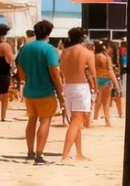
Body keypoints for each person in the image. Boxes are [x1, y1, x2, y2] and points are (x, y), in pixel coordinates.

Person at [15, 20, 63, 165]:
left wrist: (27, 79)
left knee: (31, 120)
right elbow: (54, 70)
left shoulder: (26, 48)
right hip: (45, 91)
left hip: (29, 91)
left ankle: (30, 151)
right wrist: (60, 90)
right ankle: (39, 154)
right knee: (45, 121)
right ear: (49, 33)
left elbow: (19, 69)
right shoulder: (50, 49)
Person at [59, 27, 96, 161]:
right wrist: (95, 88)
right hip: (81, 87)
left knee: (75, 121)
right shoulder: (87, 53)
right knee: (77, 121)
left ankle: (79, 153)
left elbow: (61, 70)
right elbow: (93, 73)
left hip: (68, 86)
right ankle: (65, 155)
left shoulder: (64, 52)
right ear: (82, 37)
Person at [92, 40, 120, 128]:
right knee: (106, 102)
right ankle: (107, 120)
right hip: (106, 79)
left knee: (98, 100)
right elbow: (110, 71)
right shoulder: (106, 57)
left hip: (96, 78)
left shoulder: (93, 56)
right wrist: (116, 84)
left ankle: (95, 117)